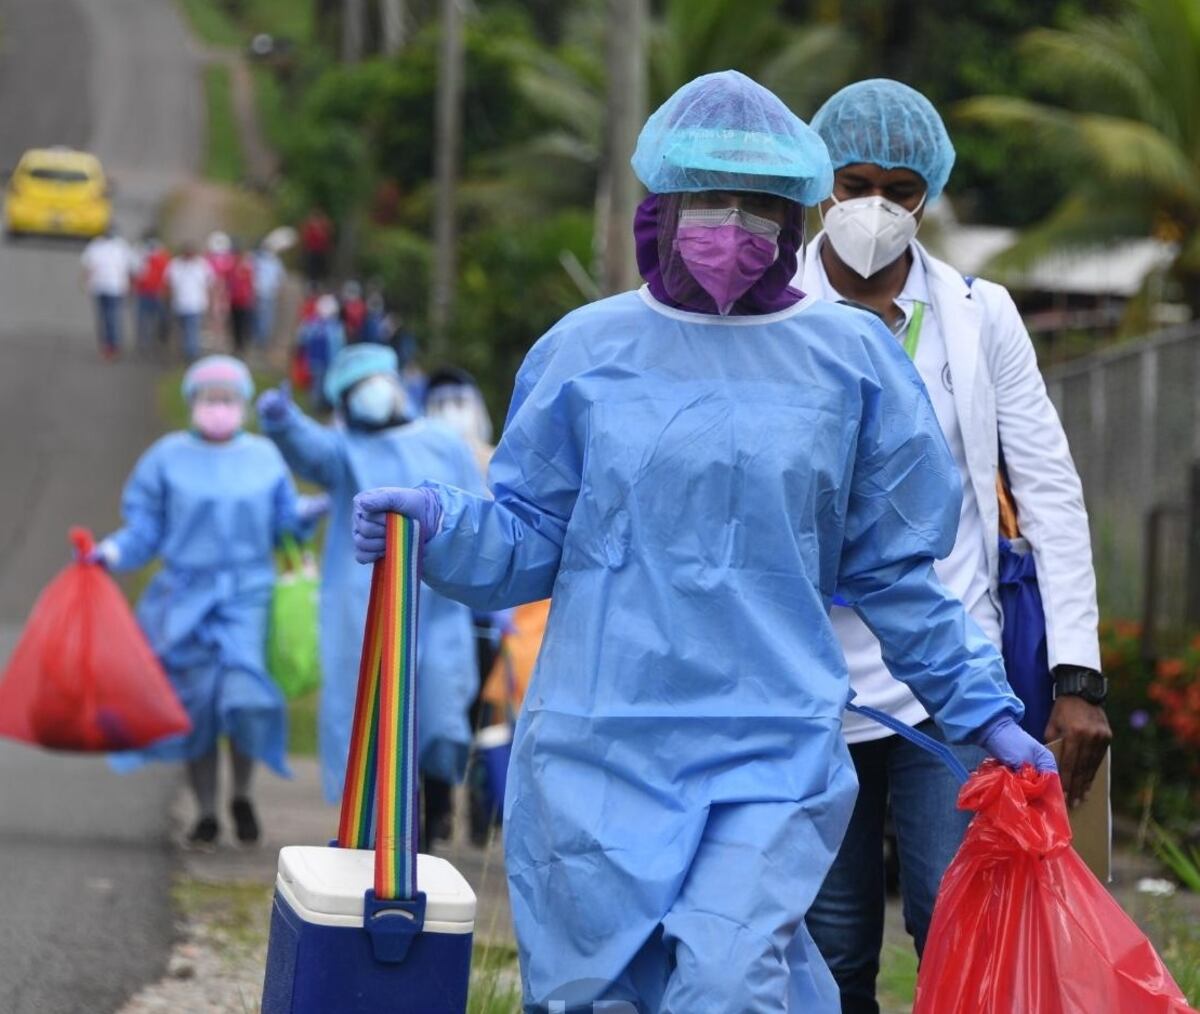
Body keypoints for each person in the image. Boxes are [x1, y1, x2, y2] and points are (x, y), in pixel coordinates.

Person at [351, 70, 1052, 1012]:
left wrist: (985, 711)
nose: (734, 225)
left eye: (759, 202)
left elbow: (893, 570)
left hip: (772, 748)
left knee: (727, 982)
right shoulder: (584, 352)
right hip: (598, 748)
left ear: (795, 213)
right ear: (664, 205)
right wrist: (441, 526)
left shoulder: (851, 361)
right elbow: (531, 537)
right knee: (597, 995)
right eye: (711, 197)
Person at [798, 79, 1111, 1014]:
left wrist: (1077, 676)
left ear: (927, 192)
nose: (875, 210)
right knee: (829, 945)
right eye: (855, 184)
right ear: (819, 182)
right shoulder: (773, 310)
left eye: (900, 191)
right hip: (809, 680)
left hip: (953, 678)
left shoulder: (981, 314)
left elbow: (1048, 489)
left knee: (961, 922)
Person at [88, 356, 324, 846]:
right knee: (196, 711)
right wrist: (110, 552)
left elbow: (284, 521)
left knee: (245, 698)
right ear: (193, 400)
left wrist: (310, 513)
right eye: (209, 397)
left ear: (244, 403)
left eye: (228, 398)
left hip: (247, 597)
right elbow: (145, 528)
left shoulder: (263, 457)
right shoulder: (166, 458)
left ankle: (242, 794)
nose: (219, 406)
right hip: (183, 601)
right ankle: (207, 811)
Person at [256, 345, 484, 828]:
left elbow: (480, 513)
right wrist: (284, 423)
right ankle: (381, 827)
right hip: (363, 602)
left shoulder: (444, 442)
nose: (372, 393)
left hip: (439, 602)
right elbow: (312, 452)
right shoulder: (345, 449)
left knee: (437, 704)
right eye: (358, 388)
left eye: (376, 380)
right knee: (372, 714)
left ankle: (436, 802)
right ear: (344, 401)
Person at [81, 226, 134, 359]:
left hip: (115, 288)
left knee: (112, 317)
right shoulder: (96, 245)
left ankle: (113, 345)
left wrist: (129, 286)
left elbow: (129, 268)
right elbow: (88, 266)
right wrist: (86, 281)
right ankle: (106, 344)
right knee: (103, 318)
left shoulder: (121, 246)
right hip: (99, 286)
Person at [165, 243, 216, 361]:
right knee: (183, 331)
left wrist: (211, 302)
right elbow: (168, 284)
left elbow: (210, 284)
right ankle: (185, 352)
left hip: (196, 305)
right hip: (179, 305)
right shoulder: (175, 264)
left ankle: (192, 355)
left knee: (192, 331)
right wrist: (167, 300)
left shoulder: (202, 265)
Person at [296, 294, 344, 411]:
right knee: (318, 383)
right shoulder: (319, 324)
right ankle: (317, 405)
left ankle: (322, 404)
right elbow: (303, 338)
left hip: (324, 360)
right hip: (320, 359)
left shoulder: (317, 324)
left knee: (321, 382)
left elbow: (302, 338)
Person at [132, 232, 171, 350]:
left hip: (157, 293)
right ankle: (144, 343)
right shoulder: (141, 255)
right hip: (144, 293)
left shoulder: (162, 257)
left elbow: (167, 275)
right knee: (143, 320)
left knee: (158, 319)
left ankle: (156, 342)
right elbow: (136, 273)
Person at [252, 240, 286, 347]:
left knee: (263, 316)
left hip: (264, 292)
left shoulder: (259, 260)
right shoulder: (272, 261)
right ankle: (263, 338)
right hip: (265, 292)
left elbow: (280, 277)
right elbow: (280, 277)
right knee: (266, 316)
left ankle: (262, 339)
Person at [226, 241, 257, 353]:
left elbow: (251, 284)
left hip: (244, 301)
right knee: (235, 324)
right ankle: (237, 345)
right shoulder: (232, 268)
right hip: (234, 300)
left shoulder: (248, 268)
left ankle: (244, 346)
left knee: (244, 324)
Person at [299, 209, 334, 284]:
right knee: (312, 268)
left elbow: (327, 237)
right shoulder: (310, 227)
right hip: (312, 251)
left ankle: (320, 281)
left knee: (321, 267)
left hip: (321, 251)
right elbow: (306, 238)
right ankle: (313, 282)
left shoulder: (323, 226)